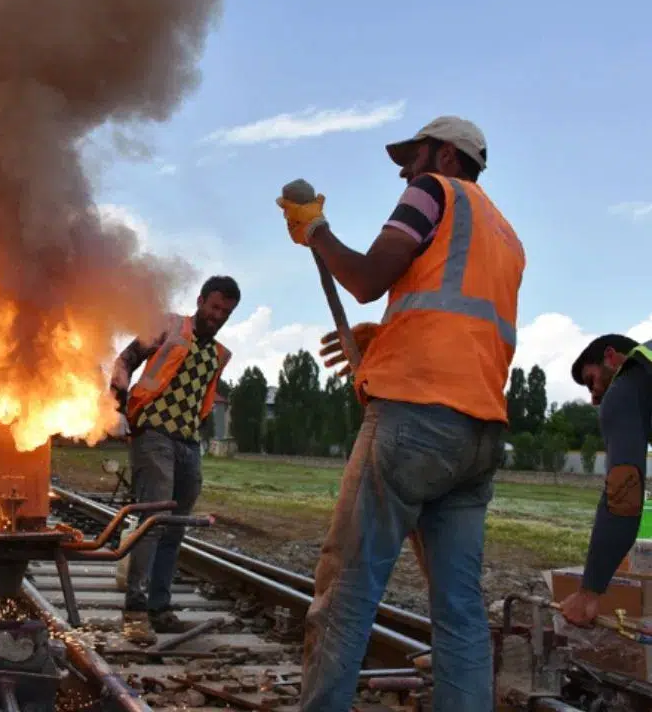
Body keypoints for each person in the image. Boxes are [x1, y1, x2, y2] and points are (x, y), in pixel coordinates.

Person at [280, 115, 526, 712]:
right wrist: (386, 337)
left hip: (415, 422)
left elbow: (365, 278)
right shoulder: (505, 235)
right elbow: (453, 321)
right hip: (480, 435)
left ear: (446, 156)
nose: (402, 170)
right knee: (461, 614)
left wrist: (317, 230)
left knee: (345, 596)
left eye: (411, 158)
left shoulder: (432, 192)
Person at [108, 275, 238, 644]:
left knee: (175, 526)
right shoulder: (169, 327)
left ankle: (159, 609)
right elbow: (126, 359)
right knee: (154, 520)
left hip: (187, 443)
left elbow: (203, 398)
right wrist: (117, 402)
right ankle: (135, 613)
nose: (218, 316)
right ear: (200, 301)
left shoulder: (218, 355)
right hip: (152, 434)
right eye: (214, 307)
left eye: (226, 312)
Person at [558, 335, 652, 627]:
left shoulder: (625, 387)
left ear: (612, 358)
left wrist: (589, 592)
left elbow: (624, 496)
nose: (594, 397)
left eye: (591, 381)